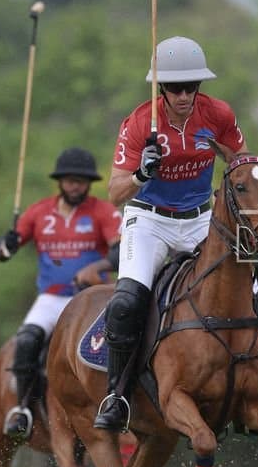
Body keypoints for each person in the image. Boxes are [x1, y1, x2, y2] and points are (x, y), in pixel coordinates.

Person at [94, 35, 247, 432]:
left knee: (247, 283)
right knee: (126, 302)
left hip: (200, 219)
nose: (183, 96)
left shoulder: (218, 115)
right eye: (175, 87)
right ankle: (117, 395)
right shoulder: (140, 123)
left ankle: (248, 376)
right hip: (150, 221)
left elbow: (239, 163)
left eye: (191, 86)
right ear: (161, 87)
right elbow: (115, 193)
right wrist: (141, 173)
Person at [0, 147, 122, 437]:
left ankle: (118, 401)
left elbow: (120, 250)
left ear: (89, 183)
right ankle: (23, 409)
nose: (75, 186)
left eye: (81, 181)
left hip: (90, 299)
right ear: (60, 181)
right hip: (52, 298)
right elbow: (2, 253)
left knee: (120, 341)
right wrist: (6, 244)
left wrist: (99, 265)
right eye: (70, 180)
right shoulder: (39, 212)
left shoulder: (103, 211)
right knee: (27, 340)